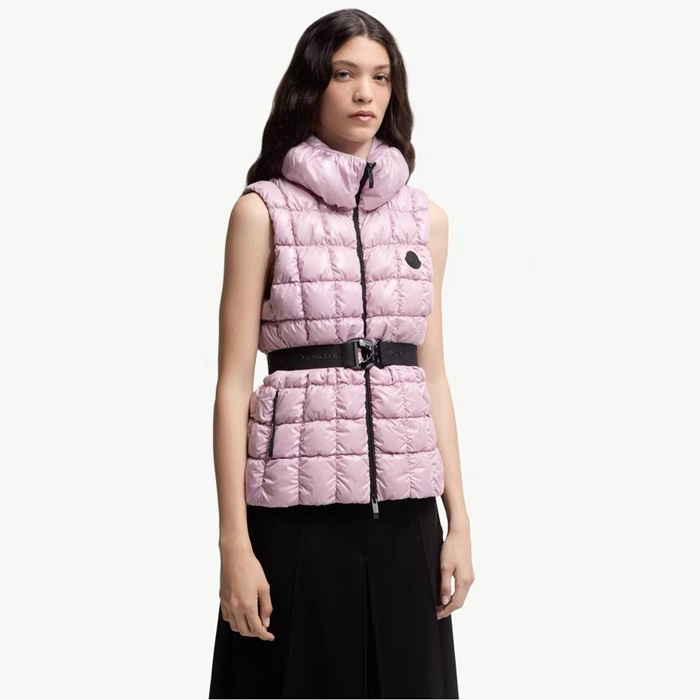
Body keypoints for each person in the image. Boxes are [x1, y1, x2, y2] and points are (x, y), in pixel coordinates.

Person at [208, 9, 475, 699]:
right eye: (345, 74)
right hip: (295, 517)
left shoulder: (426, 219)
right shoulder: (262, 211)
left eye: (381, 78)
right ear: (311, 86)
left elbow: (433, 377)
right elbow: (234, 383)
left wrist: (459, 523)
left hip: (408, 517)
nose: (365, 93)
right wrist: (234, 544)